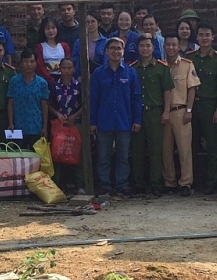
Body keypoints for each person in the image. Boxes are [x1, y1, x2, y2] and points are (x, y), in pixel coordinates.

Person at [90, 37, 142, 198]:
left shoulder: (130, 72)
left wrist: (137, 120)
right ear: (106, 51)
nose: (115, 51)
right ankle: (104, 185)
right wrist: (92, 122)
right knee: (103, 156)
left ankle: (122, 185)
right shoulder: (99, 73)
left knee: (123, 156)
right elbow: (93, 99)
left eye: (119, 48)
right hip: (104, 121)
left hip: (124, 120)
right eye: (112, 48)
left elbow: (136, 98)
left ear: (123, 51)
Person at [187, 22, 217, 195]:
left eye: (207, 35)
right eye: (201, 35)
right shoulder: (190, 58)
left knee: (213, 146)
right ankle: (194, 180)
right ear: (196, 37)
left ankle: (212, 181)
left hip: (210, 104)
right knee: (191, 145)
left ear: (213, 37)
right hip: (192, 104)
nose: (204, 38)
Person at [130, 34, 174, 197]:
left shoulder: (162, 68)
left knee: (156, 149)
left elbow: (167, 91)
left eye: (148, 46)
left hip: (155, 112)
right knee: (137, 149)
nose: (145, 49)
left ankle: (156, 183)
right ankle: (139, 183)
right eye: (142, 46)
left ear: (153, 48)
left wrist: (167, 111)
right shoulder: (132, 68)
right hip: (137, 112)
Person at [162, 33, 200, 197]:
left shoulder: (187, 64)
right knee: (166, 149)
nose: (171, 48)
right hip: (164, 113)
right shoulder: (161, 66)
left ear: (179, 47)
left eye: (174, 45)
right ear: (164, 47)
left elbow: (192, 88)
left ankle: (185, 182)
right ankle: (169, 181)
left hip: (181, 110)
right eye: (168, 45)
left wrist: (189, 110)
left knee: (185, 149)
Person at [48, 57, 84, 193]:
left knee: (77, 153)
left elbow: (84, 104)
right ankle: (57, 184)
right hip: (59, 125)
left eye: (70, 68)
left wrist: (74, 116)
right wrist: (57, 114)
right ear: (59, 69)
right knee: (57, 153)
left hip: (76, 124)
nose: (67, 71)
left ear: (74, 69)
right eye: (64, 68)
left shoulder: (79, 85)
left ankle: (79, 185)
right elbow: (49, 104)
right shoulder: (55, 86)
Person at [7, 49, 50, 149]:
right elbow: (10, 103)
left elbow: (44, 105)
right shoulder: (14, 81)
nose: (29, 64)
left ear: (36, 63)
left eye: (32, 61)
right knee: (18, 157)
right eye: (26, 61)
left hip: (36, 127)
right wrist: (10, 123)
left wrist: (44, 127)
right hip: (18, 127)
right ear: (21, 63)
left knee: (35, 158)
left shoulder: (42, 83)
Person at [35, 17, 72, 85]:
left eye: (53, 28)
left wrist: (62, 79)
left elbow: (69, 63)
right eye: (47, 28)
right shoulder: (39, 47)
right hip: (45, 82)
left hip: (63, 81)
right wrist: (50, 80)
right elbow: (40, 66)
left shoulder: (64, 46)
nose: (51, 31)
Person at [72, 11, 108, 76]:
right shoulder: (78, 42)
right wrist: (78, 76)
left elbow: (106, 63)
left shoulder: (106, 42)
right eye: (87, 22)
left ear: (98, 23)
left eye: (93, 21)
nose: (90, 24)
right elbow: (75, 62)